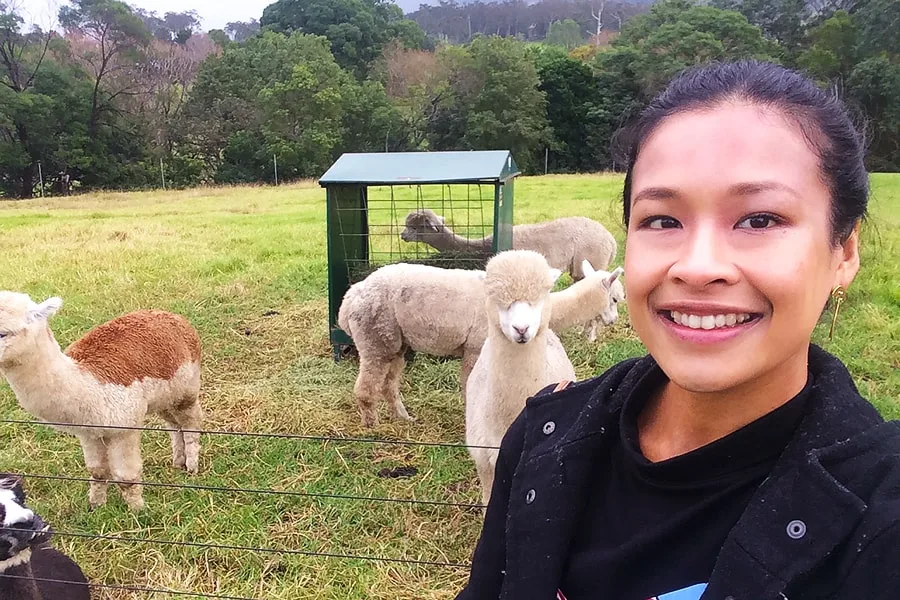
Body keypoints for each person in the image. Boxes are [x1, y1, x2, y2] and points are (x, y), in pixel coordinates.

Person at [455, 60, 900, 600]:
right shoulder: (543, 435)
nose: (696, 266)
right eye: (662, 220)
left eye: (759, 219)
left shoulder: (880, 520)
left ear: (844, 251)